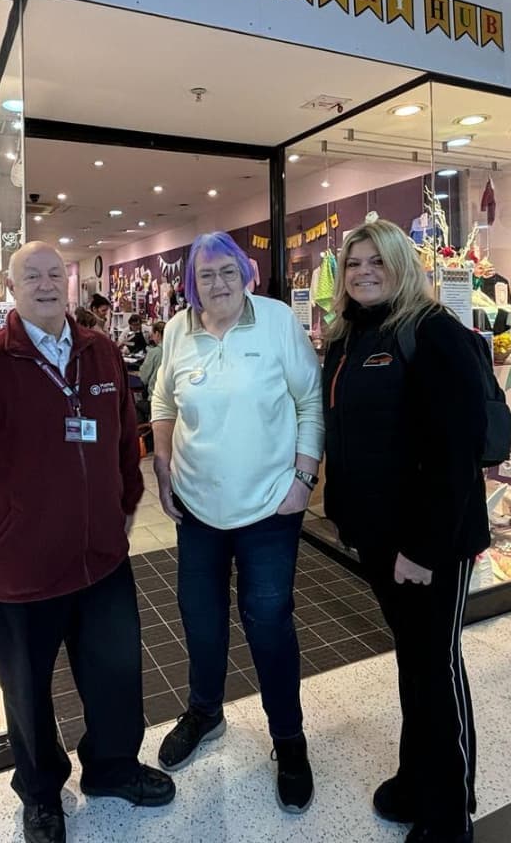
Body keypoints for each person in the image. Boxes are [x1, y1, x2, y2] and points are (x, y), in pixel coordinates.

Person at [0, 242, 175, 843]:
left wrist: (126, 504)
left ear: (69, 284)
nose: (47, 284)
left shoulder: (100, 352)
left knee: (116, 675)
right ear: (11, 285)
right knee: (27, 696)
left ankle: (112, 768)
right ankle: (42, 794)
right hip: (15, 572)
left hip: (100, 563)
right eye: (33, 275)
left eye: (56, 274)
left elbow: (124, 439)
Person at [321, 218, 489, 843]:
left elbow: (455, 453)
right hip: (377, 537)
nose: (364, 272)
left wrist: (422, 548)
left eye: (377, 262)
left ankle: (450, 813)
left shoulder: (433, 332)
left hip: (430, 542)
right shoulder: (348, 338)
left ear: (401, 265)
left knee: (436, 664)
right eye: (354, 263)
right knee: (414, 662)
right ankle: (417, 777)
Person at [151, 232, 323, 813]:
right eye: (205, 275)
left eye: (227, 271)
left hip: (271, 506)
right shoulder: (178, 331)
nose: (217, 284)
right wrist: (163, 466)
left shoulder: (276, 321)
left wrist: (304, 479)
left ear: (245, 273)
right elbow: (163, 406)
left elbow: (309, 400)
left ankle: (289, 740)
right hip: (197, 508)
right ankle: (204, 712)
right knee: (200, 618)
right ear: (190, 283)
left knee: (269, 621)